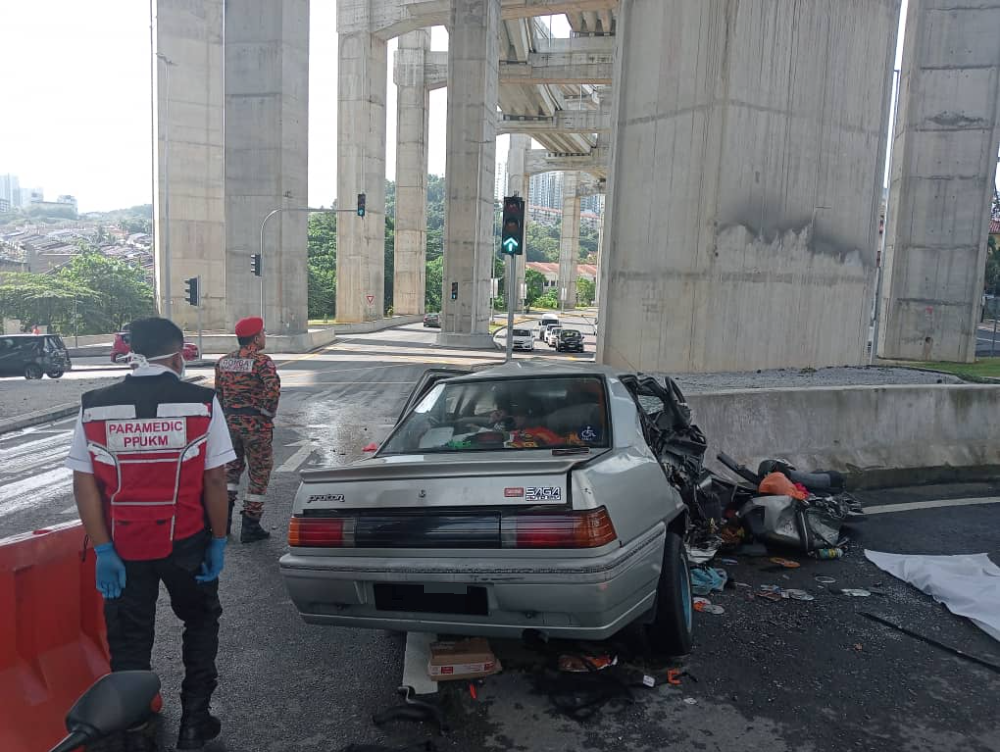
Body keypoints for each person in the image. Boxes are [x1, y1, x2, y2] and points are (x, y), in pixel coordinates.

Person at [66, 316, 236, 751]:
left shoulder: (94, 404)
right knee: (199, 622)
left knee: (129, 636)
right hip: (188, 541)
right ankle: (195, 721)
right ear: (179, 355)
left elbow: (85, 485)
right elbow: (216, 480)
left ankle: (135, 725)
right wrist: (218, 539)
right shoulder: (201, 402)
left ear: (132, 350)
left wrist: (103, 548)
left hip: (123, 546)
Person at [215, 316, 281, 543]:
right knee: (259, 473)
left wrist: (228, 418)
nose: (264, 336)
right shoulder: (262, 362)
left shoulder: (223, 362)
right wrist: (266, 415)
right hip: (255, 426)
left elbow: (219, 394)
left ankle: (223, 523)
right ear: (255, 337)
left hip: (230, 424)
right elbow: (272, 392)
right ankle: (250, 525)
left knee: (231, 471)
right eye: (263, 333)